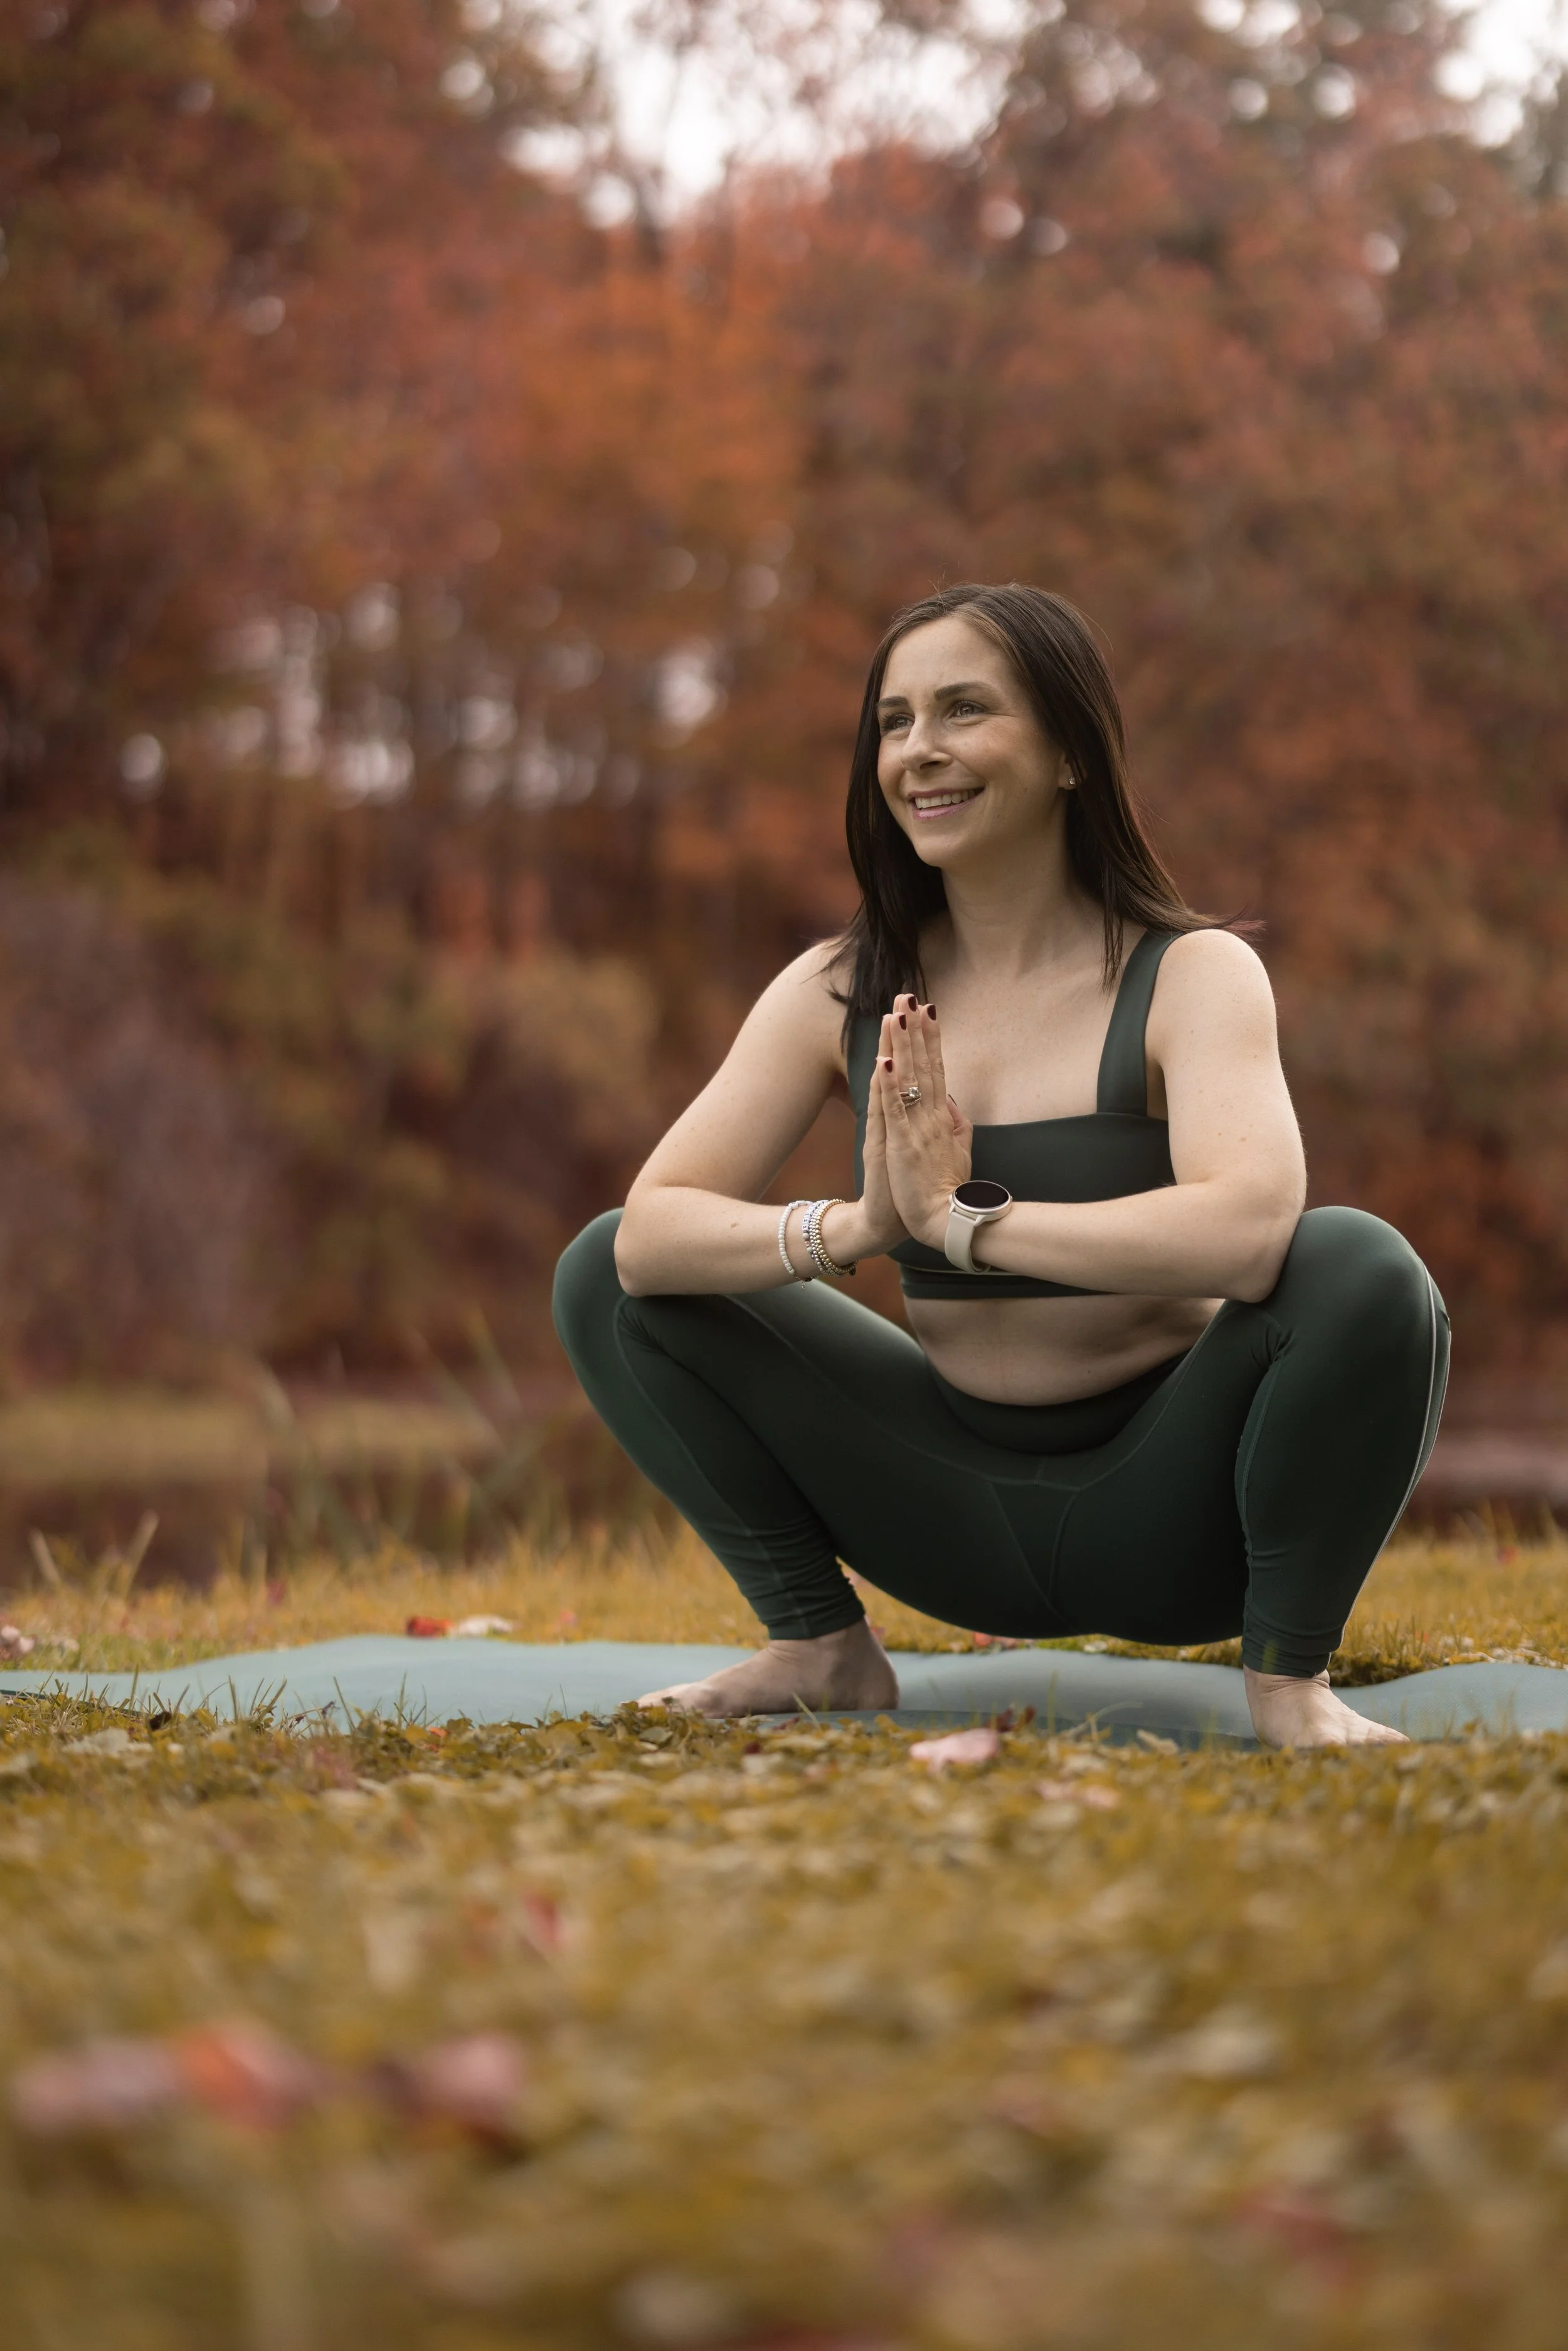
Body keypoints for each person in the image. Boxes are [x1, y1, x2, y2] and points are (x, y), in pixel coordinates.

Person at [553, 583, 1448, 1747]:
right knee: (608, 1282)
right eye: (895, 721)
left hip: (1172, 1515)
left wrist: (968, 1222)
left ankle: (1290, 1685)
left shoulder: (1193, 974)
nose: (920, 751)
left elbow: (1251, 1230)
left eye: (964, 711)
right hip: (940, 1510)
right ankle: (819, 1645)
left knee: (1363, 1265)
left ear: (1072, 751)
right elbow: (650, 1229)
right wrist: (864, 1228)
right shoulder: (841, 986)